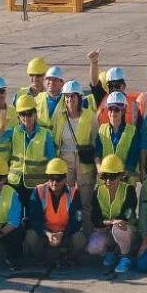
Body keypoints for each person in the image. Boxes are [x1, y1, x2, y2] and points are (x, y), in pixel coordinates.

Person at [54, 80, 98, 225]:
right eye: (67, 96)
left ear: (79, 97)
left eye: (73, 96)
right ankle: (67, 235)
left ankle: (86, 235)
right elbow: (55, 138)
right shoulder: (59, 116)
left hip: (84, 161)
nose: (69, 99)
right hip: (65, 161)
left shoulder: (90, 115)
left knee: (86, 203)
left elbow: (96, 140)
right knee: (66, 201)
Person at [25, 159, 83, 265]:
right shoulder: (38, 191)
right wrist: (47, 234)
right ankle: (41, 259)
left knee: (79, 238)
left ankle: (69, 259)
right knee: (31, 235)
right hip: (45, 234)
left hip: (65, 233)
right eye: (51, 178)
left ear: (65, 178)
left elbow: (77, 221)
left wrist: (62, 233)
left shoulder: (74, 193)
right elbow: (34, 219)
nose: (54, 182)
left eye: (59, 178)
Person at [87, 154, 139, 274]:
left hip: (126, 229)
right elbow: (94, 218)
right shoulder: (98, 191)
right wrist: (110, 222)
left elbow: (126, 215)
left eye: (112, 177)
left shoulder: (129, 190)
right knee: (93, 247)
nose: (108, 181)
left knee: (119, 227)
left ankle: (125, 257)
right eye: (105, 176)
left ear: (120, 175)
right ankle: (112, 251)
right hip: (107, 228)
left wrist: (112, 223)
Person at [6, 96, 57, 203]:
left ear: (35, 113)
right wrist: (2, 125)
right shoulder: (14, 131)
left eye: (29, 113)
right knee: (17, 214)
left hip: (37, 184)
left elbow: (52, 160)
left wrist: (51, 181)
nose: (26, 117)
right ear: (18, 116)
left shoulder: (45, 134)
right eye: (22, 114)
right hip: (15, 182)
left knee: (33, 215)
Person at [96, 91, 142, 187]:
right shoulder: (101, 129)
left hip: (125, 178)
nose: (112, 113)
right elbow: (97, 153)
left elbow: (132, 159)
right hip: (106, 178)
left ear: (124, 110)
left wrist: (118, 177)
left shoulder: (132, 132)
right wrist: (100, 169)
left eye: (116, 109)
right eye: (110, 109)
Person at [86, 51, 141, 125]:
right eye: (111, 86)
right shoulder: (102, 98)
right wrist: (94, 62)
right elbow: (95, 82)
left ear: (124, 86)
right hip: (105, 135)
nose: (114, 89)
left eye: (117, 86)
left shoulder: (133, 102)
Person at [35, 65, 67, 131]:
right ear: (44, 81)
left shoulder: (68, 100)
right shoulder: (37, 99)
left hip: (60, 139)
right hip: (41, 139)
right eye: (49, 79)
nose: (51, 82)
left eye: (55, 80)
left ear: (62, 83)